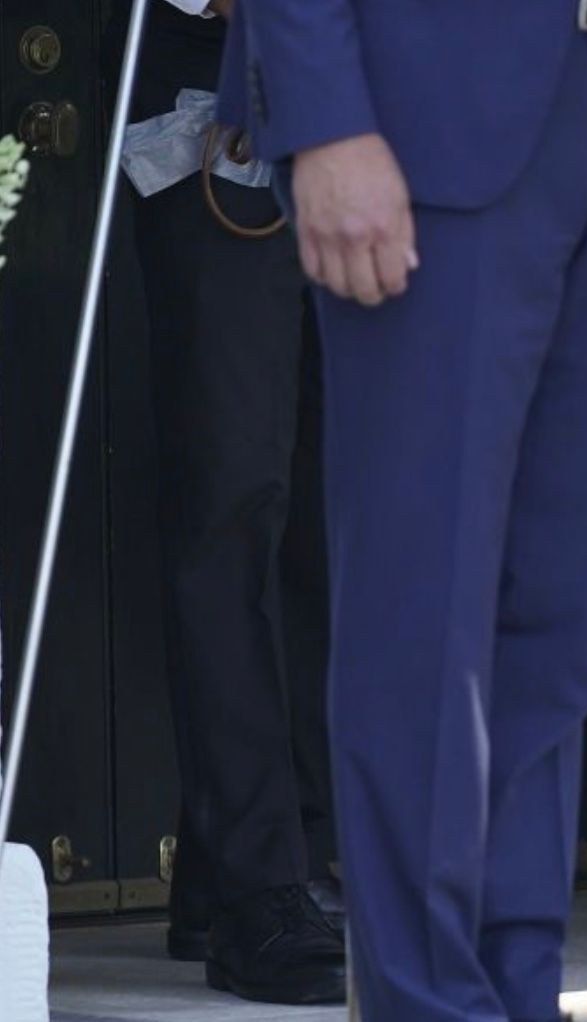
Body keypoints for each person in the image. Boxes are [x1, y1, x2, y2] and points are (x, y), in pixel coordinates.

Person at [218, 1, 587, 1018]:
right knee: (424, 607)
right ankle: (426, 1001)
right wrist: (321, 114)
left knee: (574, 606)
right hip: (418, 95)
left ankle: (515, 991)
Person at [124, 0, 345, 1004]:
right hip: (222, 75)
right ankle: (260, 882)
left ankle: (245, 858)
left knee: (326, 509)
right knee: (234, 497)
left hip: (374, 95)